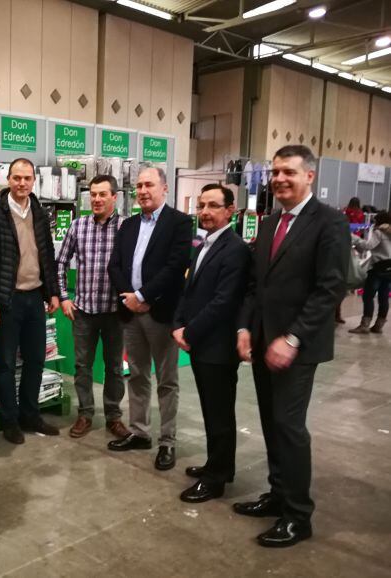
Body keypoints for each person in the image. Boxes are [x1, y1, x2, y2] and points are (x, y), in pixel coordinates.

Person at [236, 145, 349, 548]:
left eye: (289, 172)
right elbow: (257, 286)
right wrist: (246, 329)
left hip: (297, 347)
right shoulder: (269, 224)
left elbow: (330, 287)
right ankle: (278, 493)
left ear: (309, 177)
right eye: (276, 172)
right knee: (271, 422)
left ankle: (298, 516)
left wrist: (293, 337)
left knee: (289, 426)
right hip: (265, 341)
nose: (280, 179)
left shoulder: (329, 223)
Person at [107, 164, 192, 470]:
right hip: (130, 313)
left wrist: (143, 297)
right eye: (139, 186)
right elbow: (114, 265)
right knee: (138, 375)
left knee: (167, 381)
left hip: (161, 313)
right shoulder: (128, 225)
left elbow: (175, 266)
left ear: (164, 188)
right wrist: (129, 298)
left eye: (149, 185)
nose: (143, 191)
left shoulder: (180, 223)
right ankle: (139, 432)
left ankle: (167, 441)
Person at [0, 158, 61, 444]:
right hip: (7, 301)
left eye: (27, 178)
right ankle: (9, 420)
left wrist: (53, 292)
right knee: (6, 364)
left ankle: (30, 415)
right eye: (16, 178)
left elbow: (47, 255)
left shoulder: (39, 212)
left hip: (35, 298)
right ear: (8, 180)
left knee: (36, 360)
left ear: (34, 181)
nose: (22, 183)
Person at [173, 184, 250, 503]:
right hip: (201, 344)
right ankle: (218, 464)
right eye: (202, 205)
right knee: (210, 410)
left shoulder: (236, 249)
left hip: (217, 347)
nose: (205, 211)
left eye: (213, 206)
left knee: (219, 414)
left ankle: (216, 479)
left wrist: (189, 333)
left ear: (230, 210)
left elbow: (223, 302)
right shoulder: (201, 243)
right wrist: (177, 323)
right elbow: (188, 288)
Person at [56, 175, 128, 439]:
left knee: (114, 368)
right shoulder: (78, 226)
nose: (96, 199)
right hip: (84, 311)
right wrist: (63, 297)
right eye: (93, 194)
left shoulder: (126, 227)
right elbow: (60, 262)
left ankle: (113, 416)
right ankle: (85, 414)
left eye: (102, 194)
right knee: (82, 366)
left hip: (115, 313)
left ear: (114, 197)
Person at [348, 210, 391, 334]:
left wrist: (356, 241)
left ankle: (364, 325)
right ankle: (378, 326)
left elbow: (369, 246)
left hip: (378, 268)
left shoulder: (380, 232)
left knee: (368, 296)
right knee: (383, 297)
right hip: (389, 269)